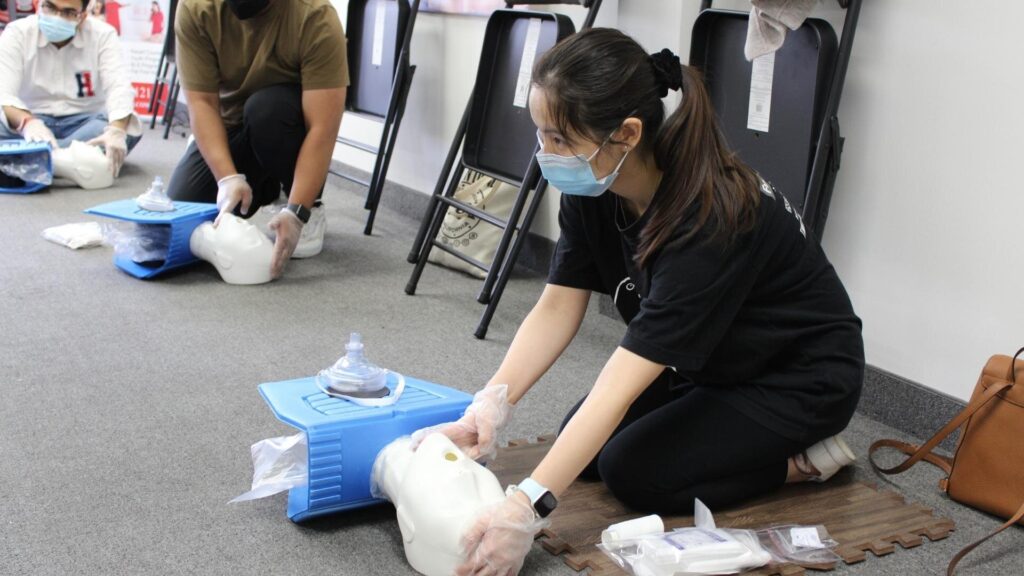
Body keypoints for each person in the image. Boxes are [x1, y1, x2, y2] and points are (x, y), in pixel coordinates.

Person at [413, 28, 865, 576]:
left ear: (626, 134)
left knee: (633, 471)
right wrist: (489, 404)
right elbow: (557, 306)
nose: (544, 155)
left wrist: (526, 509)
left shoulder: (708, 216)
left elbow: (621, 380)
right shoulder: (598, 185)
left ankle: (803, 462)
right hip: (714, 356)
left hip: (798, 376)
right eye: (541, 136)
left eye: (558, 140)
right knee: (585, 452)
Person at [169, 0, 348, 279]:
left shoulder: (314, 16)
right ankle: (262, 189)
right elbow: (201, 103)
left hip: (284, 126)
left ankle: (307, 203)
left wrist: (298, 212)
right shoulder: (195, 8)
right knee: (183, 205)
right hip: (232, 126)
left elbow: (322, 128)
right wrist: (226, 177)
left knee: (265, 109)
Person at [0, 0, 142, 178]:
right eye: (50, 7)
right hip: (29, 120)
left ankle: (33, 159)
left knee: (127, 126)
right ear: (38, 5)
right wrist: (28, 123)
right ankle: (71, 161)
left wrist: (116, 131)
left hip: (85, 122)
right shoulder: (17, 32)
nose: (56, 17)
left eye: (68, 12)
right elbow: (3, 93)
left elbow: (119, 88)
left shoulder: (103, 34)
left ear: (82, 16)